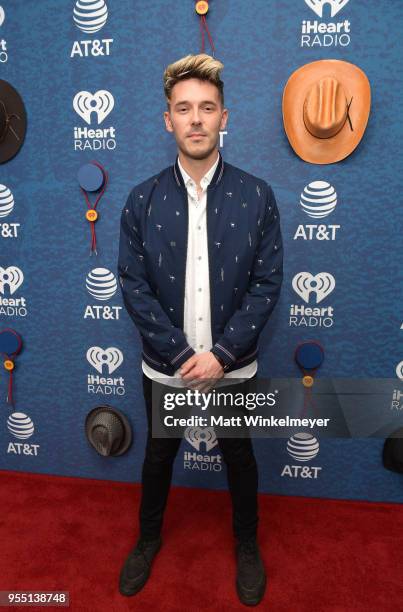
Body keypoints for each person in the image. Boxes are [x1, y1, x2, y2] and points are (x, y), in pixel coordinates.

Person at [117, 53, 283, 606]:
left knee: (240, 457)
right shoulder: (140, 199)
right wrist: (181, 356)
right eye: (183, 109)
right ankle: (146, 539)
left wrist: (223, 354)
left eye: (206, 108)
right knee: (159, 456)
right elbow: (133, 286)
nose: (195, 119)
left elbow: (267, 284)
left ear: (223, 117)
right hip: (165, 367)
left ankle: (247, 545)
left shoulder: (257, 195)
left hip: (234, 368)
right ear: (168, 120)